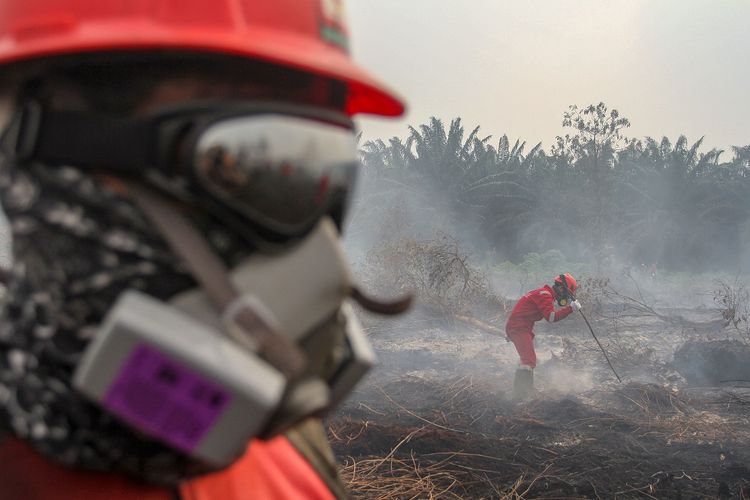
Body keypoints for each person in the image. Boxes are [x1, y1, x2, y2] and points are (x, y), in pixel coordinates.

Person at [0, 1, 407, 498]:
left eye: (320, 174)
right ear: (36, 164)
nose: (322, 258)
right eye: (245, 163)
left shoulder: (287, 452)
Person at [505, 274, 582, 399]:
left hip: (520, 327)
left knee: (527, 359)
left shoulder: (544, 293)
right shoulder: (545, 295)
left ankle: (524, 391)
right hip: (519, 328)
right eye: (566, 294)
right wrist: (570, 309)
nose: (565, 298)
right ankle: (520, 396)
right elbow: (551, 317)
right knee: (528, 360)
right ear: (561, 288)